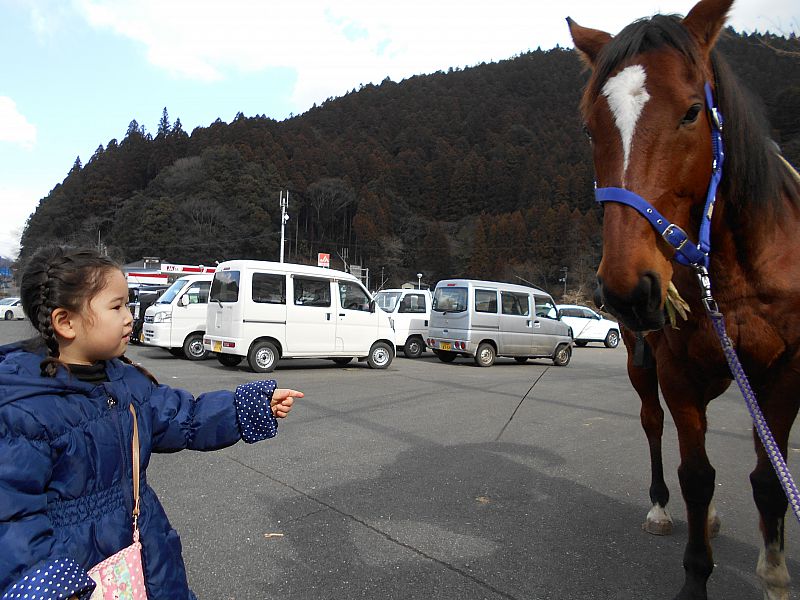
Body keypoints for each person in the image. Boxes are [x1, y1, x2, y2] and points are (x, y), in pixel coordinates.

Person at [0, 246, 304, 600]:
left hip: (145, 553)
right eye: (116, 307)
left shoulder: (126, 381)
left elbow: (185, 417)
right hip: (76, 575)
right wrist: (48, 586)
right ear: (65, 322)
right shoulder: (24, 409)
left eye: (127, 304)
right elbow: (13, 518)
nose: (130, 317)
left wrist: (246, 406)